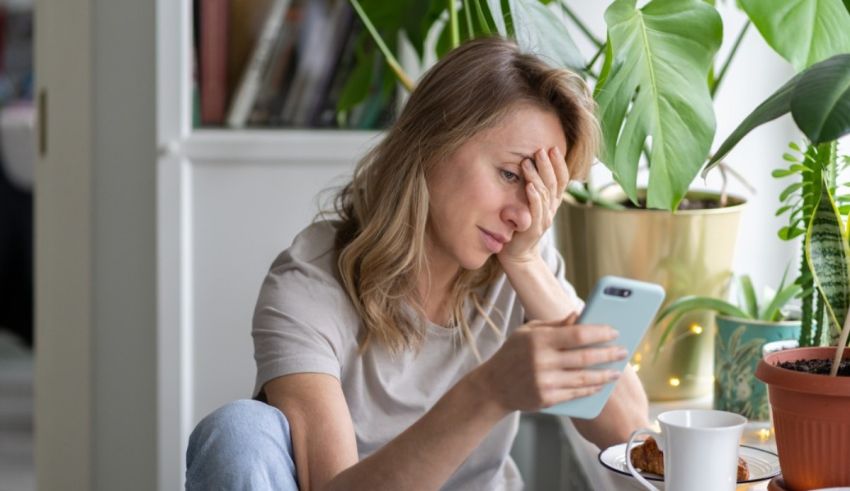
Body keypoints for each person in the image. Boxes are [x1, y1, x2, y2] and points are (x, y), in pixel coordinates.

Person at [185, 36, 649, 490]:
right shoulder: (308, 286)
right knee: (238, 432)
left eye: (540, 188)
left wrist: (527, 262)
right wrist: (486, 393)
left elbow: (629, 432)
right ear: (431, 141)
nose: (523, 213)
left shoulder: (517, 256)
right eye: (509, 174)